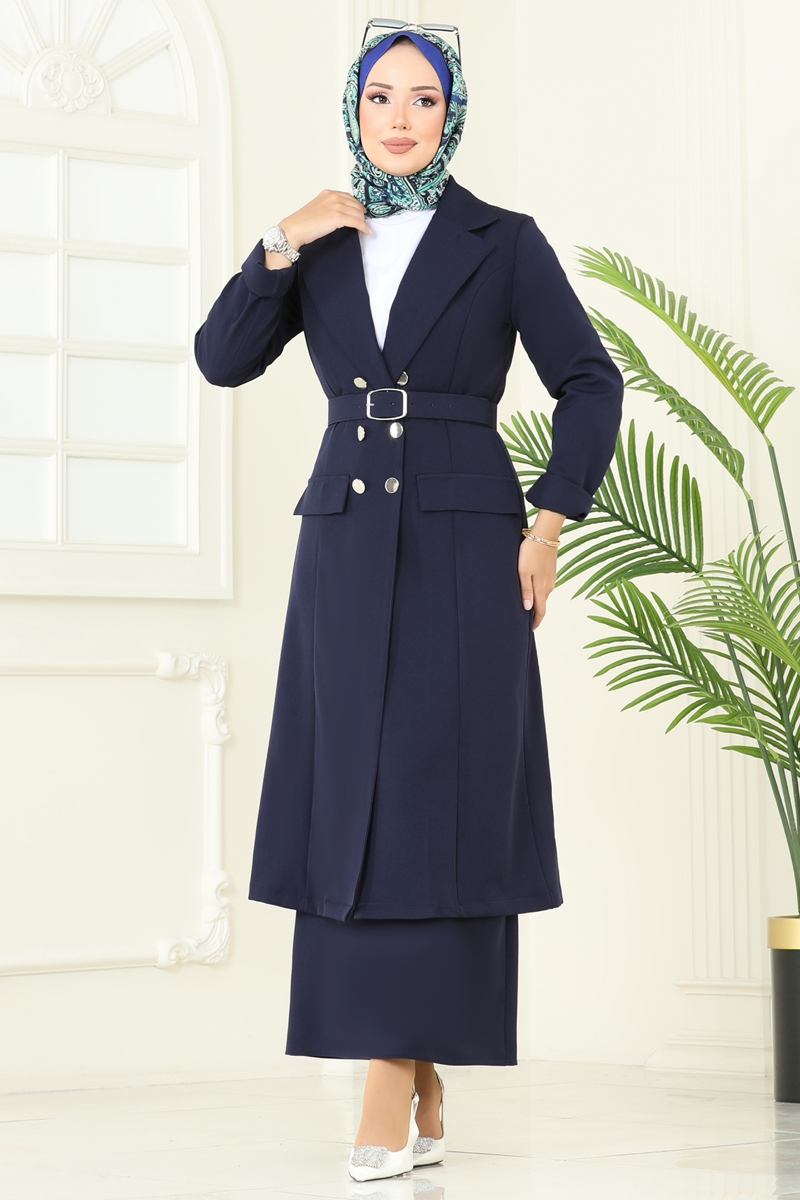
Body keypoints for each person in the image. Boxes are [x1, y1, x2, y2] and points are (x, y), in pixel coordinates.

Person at [195, 23, 623, 1184]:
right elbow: (221, 359)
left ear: (450, 114)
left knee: (441, 792)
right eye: (378, 96)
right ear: (354, 109)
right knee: (353, 792)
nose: (398, 117)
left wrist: (547, 524)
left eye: (421, 98)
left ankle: (387, 1077)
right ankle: (411, 1068)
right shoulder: (320, 240)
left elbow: (588, 382)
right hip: (342, 539)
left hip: (465, 541)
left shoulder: (501, 239)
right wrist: (277, 241)